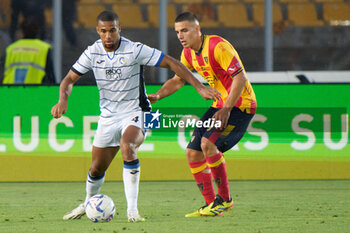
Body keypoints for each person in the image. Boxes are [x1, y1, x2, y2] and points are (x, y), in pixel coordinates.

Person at [51, 10, 219, 222]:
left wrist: (199, 87)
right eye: (103, 31)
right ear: (98, 31)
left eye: (113, 30)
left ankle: (132, 211)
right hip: (108, 117)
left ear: (119, 29)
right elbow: (68, 80)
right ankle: (88, 203)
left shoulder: (134, 49)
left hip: (137, 111)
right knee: (96, 168)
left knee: (127, 145)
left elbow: (172, 63)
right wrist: (62, 100)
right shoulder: (92, 53)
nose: (108, 36)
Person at [148, 12, 257, 217]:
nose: (181, 36)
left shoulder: (218, 46)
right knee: (193, 152)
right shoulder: (187, 54)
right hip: (220, 105)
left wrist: (226, 109)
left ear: (197, 30)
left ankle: (225, 199)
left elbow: (240, 78)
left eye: (185, 30)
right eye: (178, 32)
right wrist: (158, 95)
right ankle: (212, 205)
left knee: (208, 144)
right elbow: (177, 80)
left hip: (240, 104)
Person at [2, 19, 55, 84]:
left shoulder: (11, 48)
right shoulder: (43, 48)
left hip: (11, 90)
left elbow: (4, 72)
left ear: (22, 33)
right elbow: (50, 75)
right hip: (34, 90)